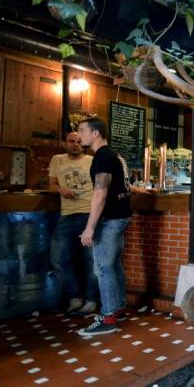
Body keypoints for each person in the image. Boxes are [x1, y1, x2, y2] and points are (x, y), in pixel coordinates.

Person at [77, 117, 132, 336]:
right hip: (120, 217)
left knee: (102, 267)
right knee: (113, 265)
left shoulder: (102, 157)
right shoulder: (113, 155)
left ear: (95, 133)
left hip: (110, 220)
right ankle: (118, 307)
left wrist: (89, 228)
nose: (79, 135)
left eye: (82, 130)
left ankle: (108, 317)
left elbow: (100, 194)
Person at [49, 131, 98, 314]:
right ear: (65, 143)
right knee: (58, 259)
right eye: (71, 141)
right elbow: (51, 184)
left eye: (79, 141)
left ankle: (92, 299)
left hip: (89, 214)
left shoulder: (92, 160)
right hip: (66, 215)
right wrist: (61, 190)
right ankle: (74, 297)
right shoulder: (57, 160)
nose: (75, 144)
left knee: (91, 261)